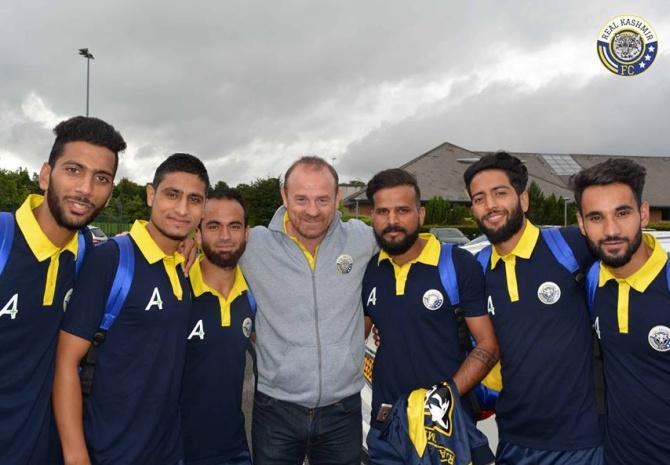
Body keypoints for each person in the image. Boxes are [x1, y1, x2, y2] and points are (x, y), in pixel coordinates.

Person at [53, 153, 209, 465]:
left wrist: (194, 241)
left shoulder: (186, 264)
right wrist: (76, 456)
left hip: (168, 451)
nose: (181, 209)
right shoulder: (111, 259)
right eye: (172, 194)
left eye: (194, 200)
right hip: (110, 452)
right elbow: (65, 362)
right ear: (151, 194)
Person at [0, 116, 125, 465]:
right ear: (45, 175)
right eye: (73, 170)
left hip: (43, 449)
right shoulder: (3, 240)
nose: (86, 188)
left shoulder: (88, 253)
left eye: (101, 178)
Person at [463, 152, 602, 464]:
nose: (490, 205)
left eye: (500, 193)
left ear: (523, 200)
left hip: (580, 443)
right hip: (513, 438)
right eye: (479, 198)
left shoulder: (570, 246)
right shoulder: (476, 269)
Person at [239, 156, 378, 465]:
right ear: (284, 196)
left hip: (343, 411)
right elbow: (208, 249)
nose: (313, 211)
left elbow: (408, 248)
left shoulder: (363, 240)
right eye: (301, 199)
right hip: (276, 409)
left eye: (322, 200)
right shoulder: (252, 245)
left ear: (338, 198)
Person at [361, 168, 498, 465]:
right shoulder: (372, 269)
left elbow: (488, 345)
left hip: (445, 426)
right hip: (386, 426)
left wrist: (444, 397)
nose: (393, 221)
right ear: (372, 216)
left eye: (403, 210)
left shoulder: (457, 264)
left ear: (420, 214)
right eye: (383, 211)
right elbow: (355, 333)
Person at [572, 158, 670, 464]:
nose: (611, 230)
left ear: (643, 214)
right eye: (596, 217)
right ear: (581, 223)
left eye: (622, 213)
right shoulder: (592, 281)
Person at [181, 188, 254, 465]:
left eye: (234, 226)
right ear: (197, 234)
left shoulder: (250, 296)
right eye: (214, 226)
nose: (225, 236)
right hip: (175, 449)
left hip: (233, 448)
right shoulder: (175, 288)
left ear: (246, 233)